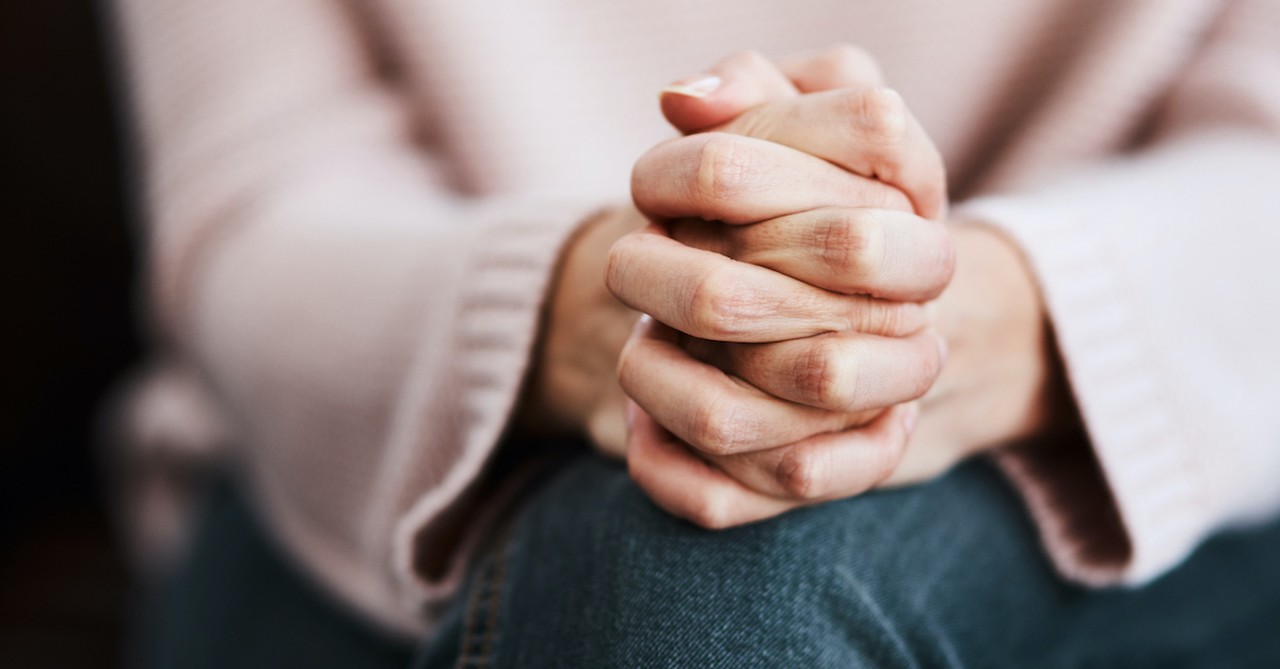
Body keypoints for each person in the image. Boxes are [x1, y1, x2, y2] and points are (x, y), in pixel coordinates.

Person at [108, 0, 1280, 666]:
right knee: (681, 582)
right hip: (355, 451)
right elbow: (258, 207)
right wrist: (586, 307)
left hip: (1158, 444)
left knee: (707, 591)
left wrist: (985, 314)